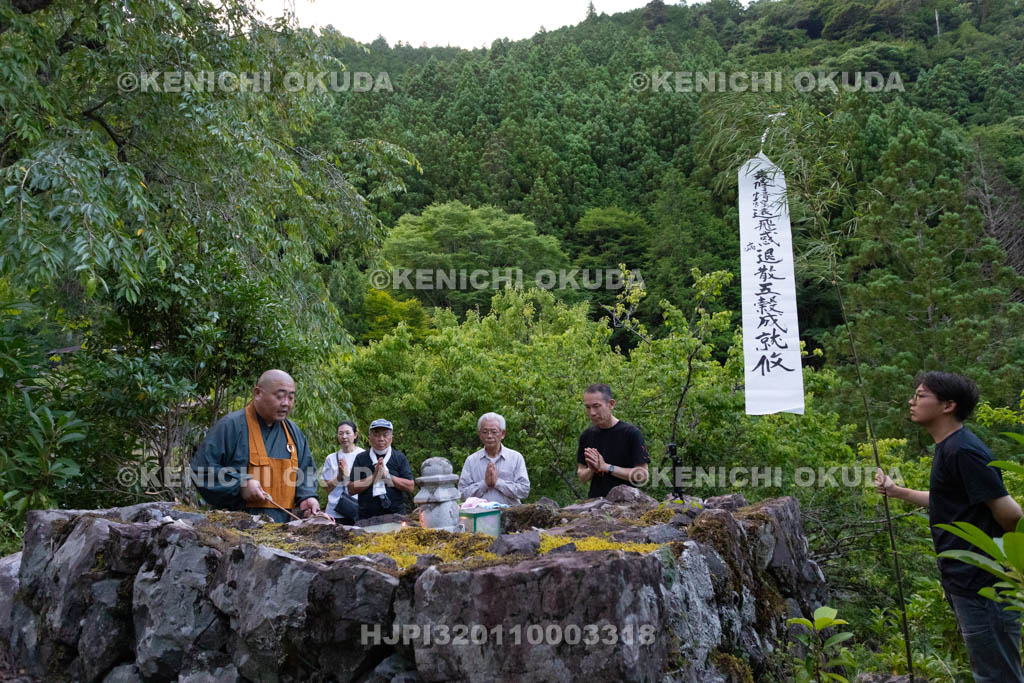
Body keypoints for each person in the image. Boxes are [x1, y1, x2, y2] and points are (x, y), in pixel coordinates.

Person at [875, 371, 1024, 682]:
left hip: (985, 585)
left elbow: (1010, 513)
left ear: (948, 405)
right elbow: (950, 499)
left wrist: (1006, 563)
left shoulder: (964, 451)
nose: (911, 402)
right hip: (967, 581)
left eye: (920, 396)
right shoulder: (949, 446)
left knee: (996, 675)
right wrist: (898, 491)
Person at [191, 369, 325, 523]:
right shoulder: (231, 426)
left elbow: (306, 472)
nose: (286, 403)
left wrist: (307, 497)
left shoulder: (294, 433)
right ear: (257, 393)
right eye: (280, 396)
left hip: (283, 530)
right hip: (236, 526)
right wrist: (240, 484)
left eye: (291, 397)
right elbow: (201, 471)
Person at [576, 383, 650, 499]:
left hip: (627, 504)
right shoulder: (587, 436)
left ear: (611, 404)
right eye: (588, 407)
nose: (592, 413)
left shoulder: (631, 433)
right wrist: (592, 469)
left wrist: (607, 467)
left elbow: (642, 475)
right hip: (595, 504)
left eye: (596, 406)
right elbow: (581, 476)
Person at [458, 412, 531, 505]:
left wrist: (498, 483)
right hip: (480, 516)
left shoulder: (516, 458)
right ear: (480, 434)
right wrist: (484, 484)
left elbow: (524, 491)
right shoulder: (471, 460)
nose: (489, 436)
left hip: (510, 515)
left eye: (494, 431)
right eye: (485, 432)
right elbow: (462, 494)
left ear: (503, 433)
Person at [348, 419, 415, 518]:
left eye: (385, 434)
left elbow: (410, 486)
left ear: (391, 437)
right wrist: (374, 476)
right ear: (369, 437)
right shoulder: (361, 458)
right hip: (367, 517)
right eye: (376, 435)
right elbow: (351, 489)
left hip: (396, 515)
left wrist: (387, 476)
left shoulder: (399, 457)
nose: (381, 439)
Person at [319, 419, 362, 524]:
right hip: (334, 511)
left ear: (355, 435)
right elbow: (326, 488)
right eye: (340, 433)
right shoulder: (331, 458)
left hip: (358, 509)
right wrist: (339, 476)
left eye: (348, 433)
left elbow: (369, 485)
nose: (344, 437)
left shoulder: (363, 455)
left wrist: (347, 475)